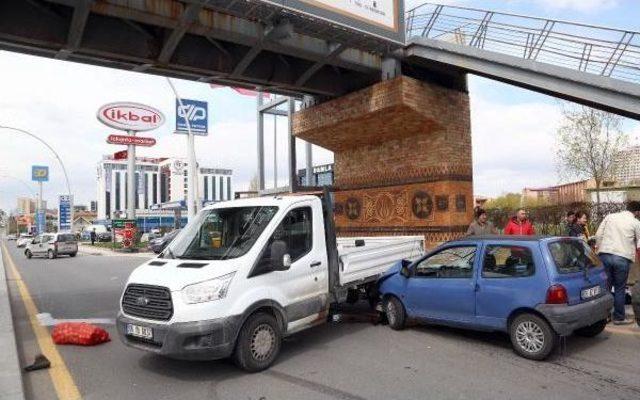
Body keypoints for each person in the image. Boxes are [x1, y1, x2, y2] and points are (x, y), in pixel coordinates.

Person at [595, 201, 640, 325]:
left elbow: (598, 235)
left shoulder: (610, 217)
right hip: (622, 259)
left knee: (606, 286)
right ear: (636, 212)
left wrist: (599, 248)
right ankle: (619, 317)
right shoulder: (636, 223)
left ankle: (604, 316)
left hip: (605, 256)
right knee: (620, 288)